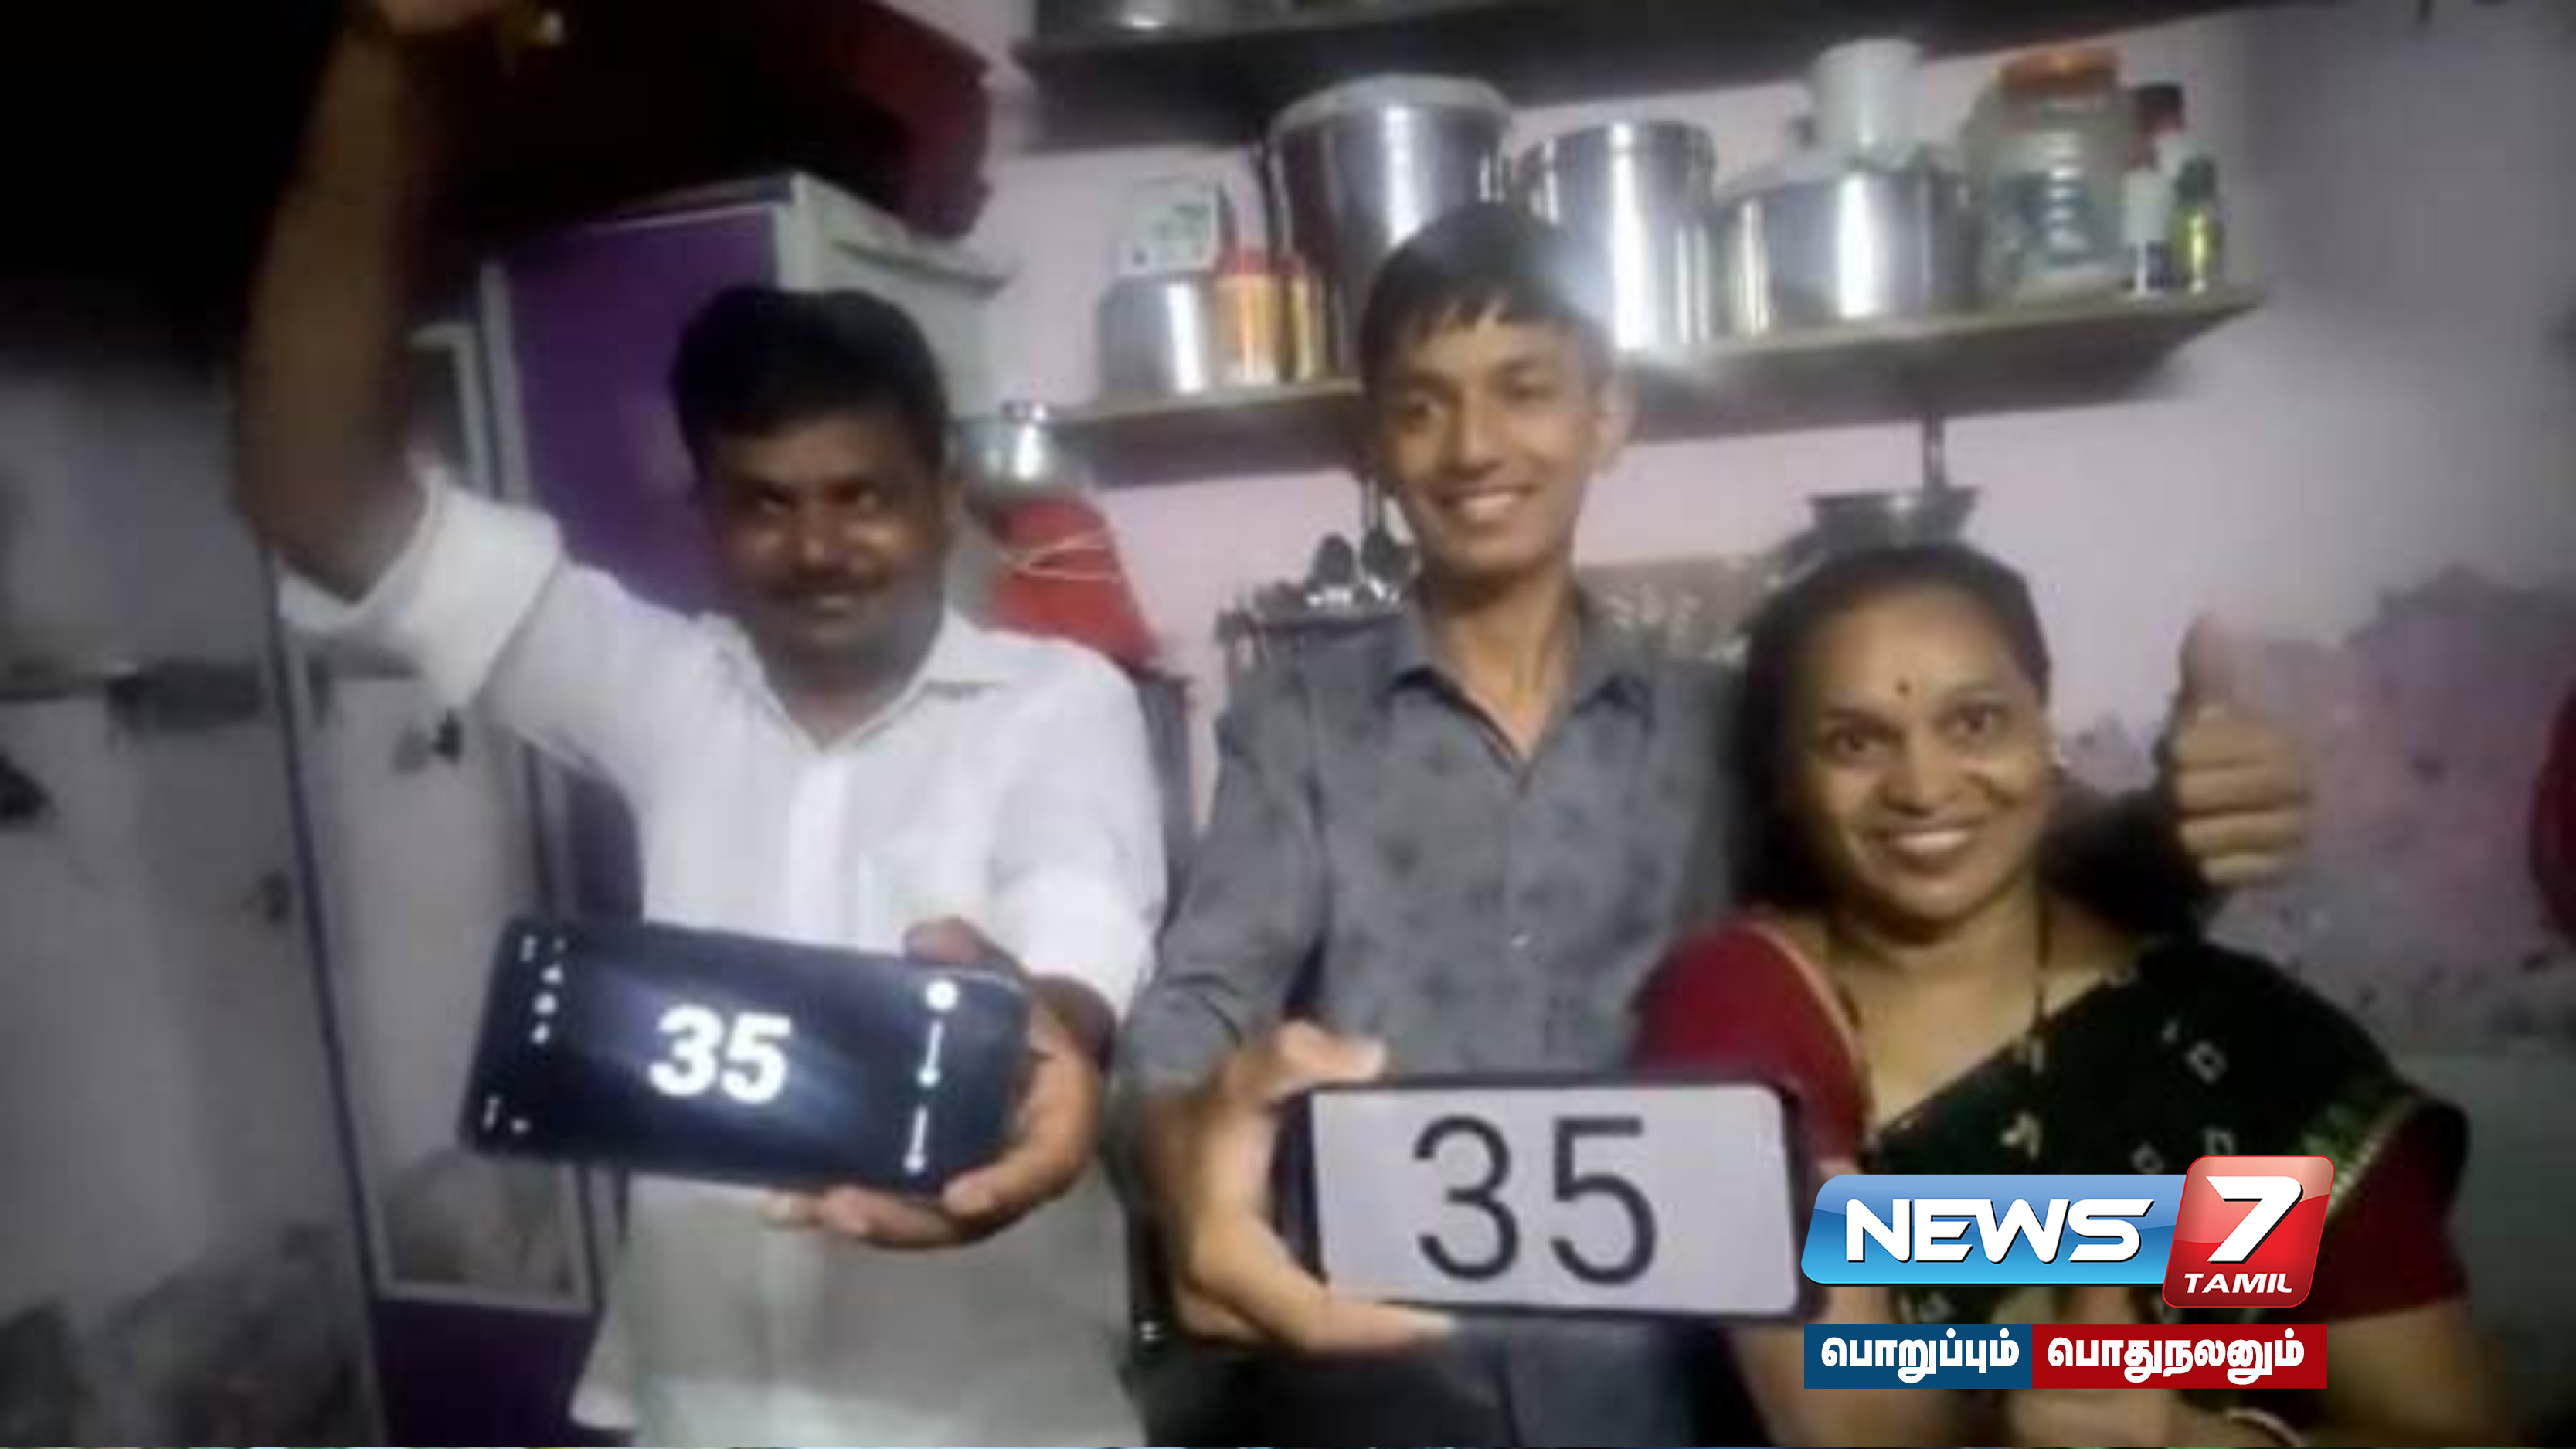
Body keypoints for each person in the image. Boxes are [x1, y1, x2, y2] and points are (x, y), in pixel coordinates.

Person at [1119, 202, 2317, 1445]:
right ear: (1372, 443)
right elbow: (1195, 1000)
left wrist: (2168, 834)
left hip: (1689, 1401)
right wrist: (1177, 1155)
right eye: (1421, 406)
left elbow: (1944, 862)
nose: (1472, 444)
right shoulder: (1296, 725)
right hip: (1375, 1396)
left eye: (1523, 389)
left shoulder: (1723, 719)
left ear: (1609, 415)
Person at [234, 4, 1165, 1444]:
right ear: (707, 520)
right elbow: (320, 502)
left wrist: (1043, 1029)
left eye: (861, 497)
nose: (819, 546)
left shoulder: (1059, 701)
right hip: (700, 1407)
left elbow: (1081, 905)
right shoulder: (657, 686)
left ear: (941, 500)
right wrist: (379, 61)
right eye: (765, 503)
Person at [1635, 543, 2512, 1447]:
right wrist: (2077, 1333)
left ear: (2043, 732)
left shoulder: (2250, 1048)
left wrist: (2187, 1437)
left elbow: (2457, 1435)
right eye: (1853, 742)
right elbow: (1855, 1415)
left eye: (1975, 722)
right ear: (1784, 782)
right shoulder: (1740, 999)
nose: (1923, 788)